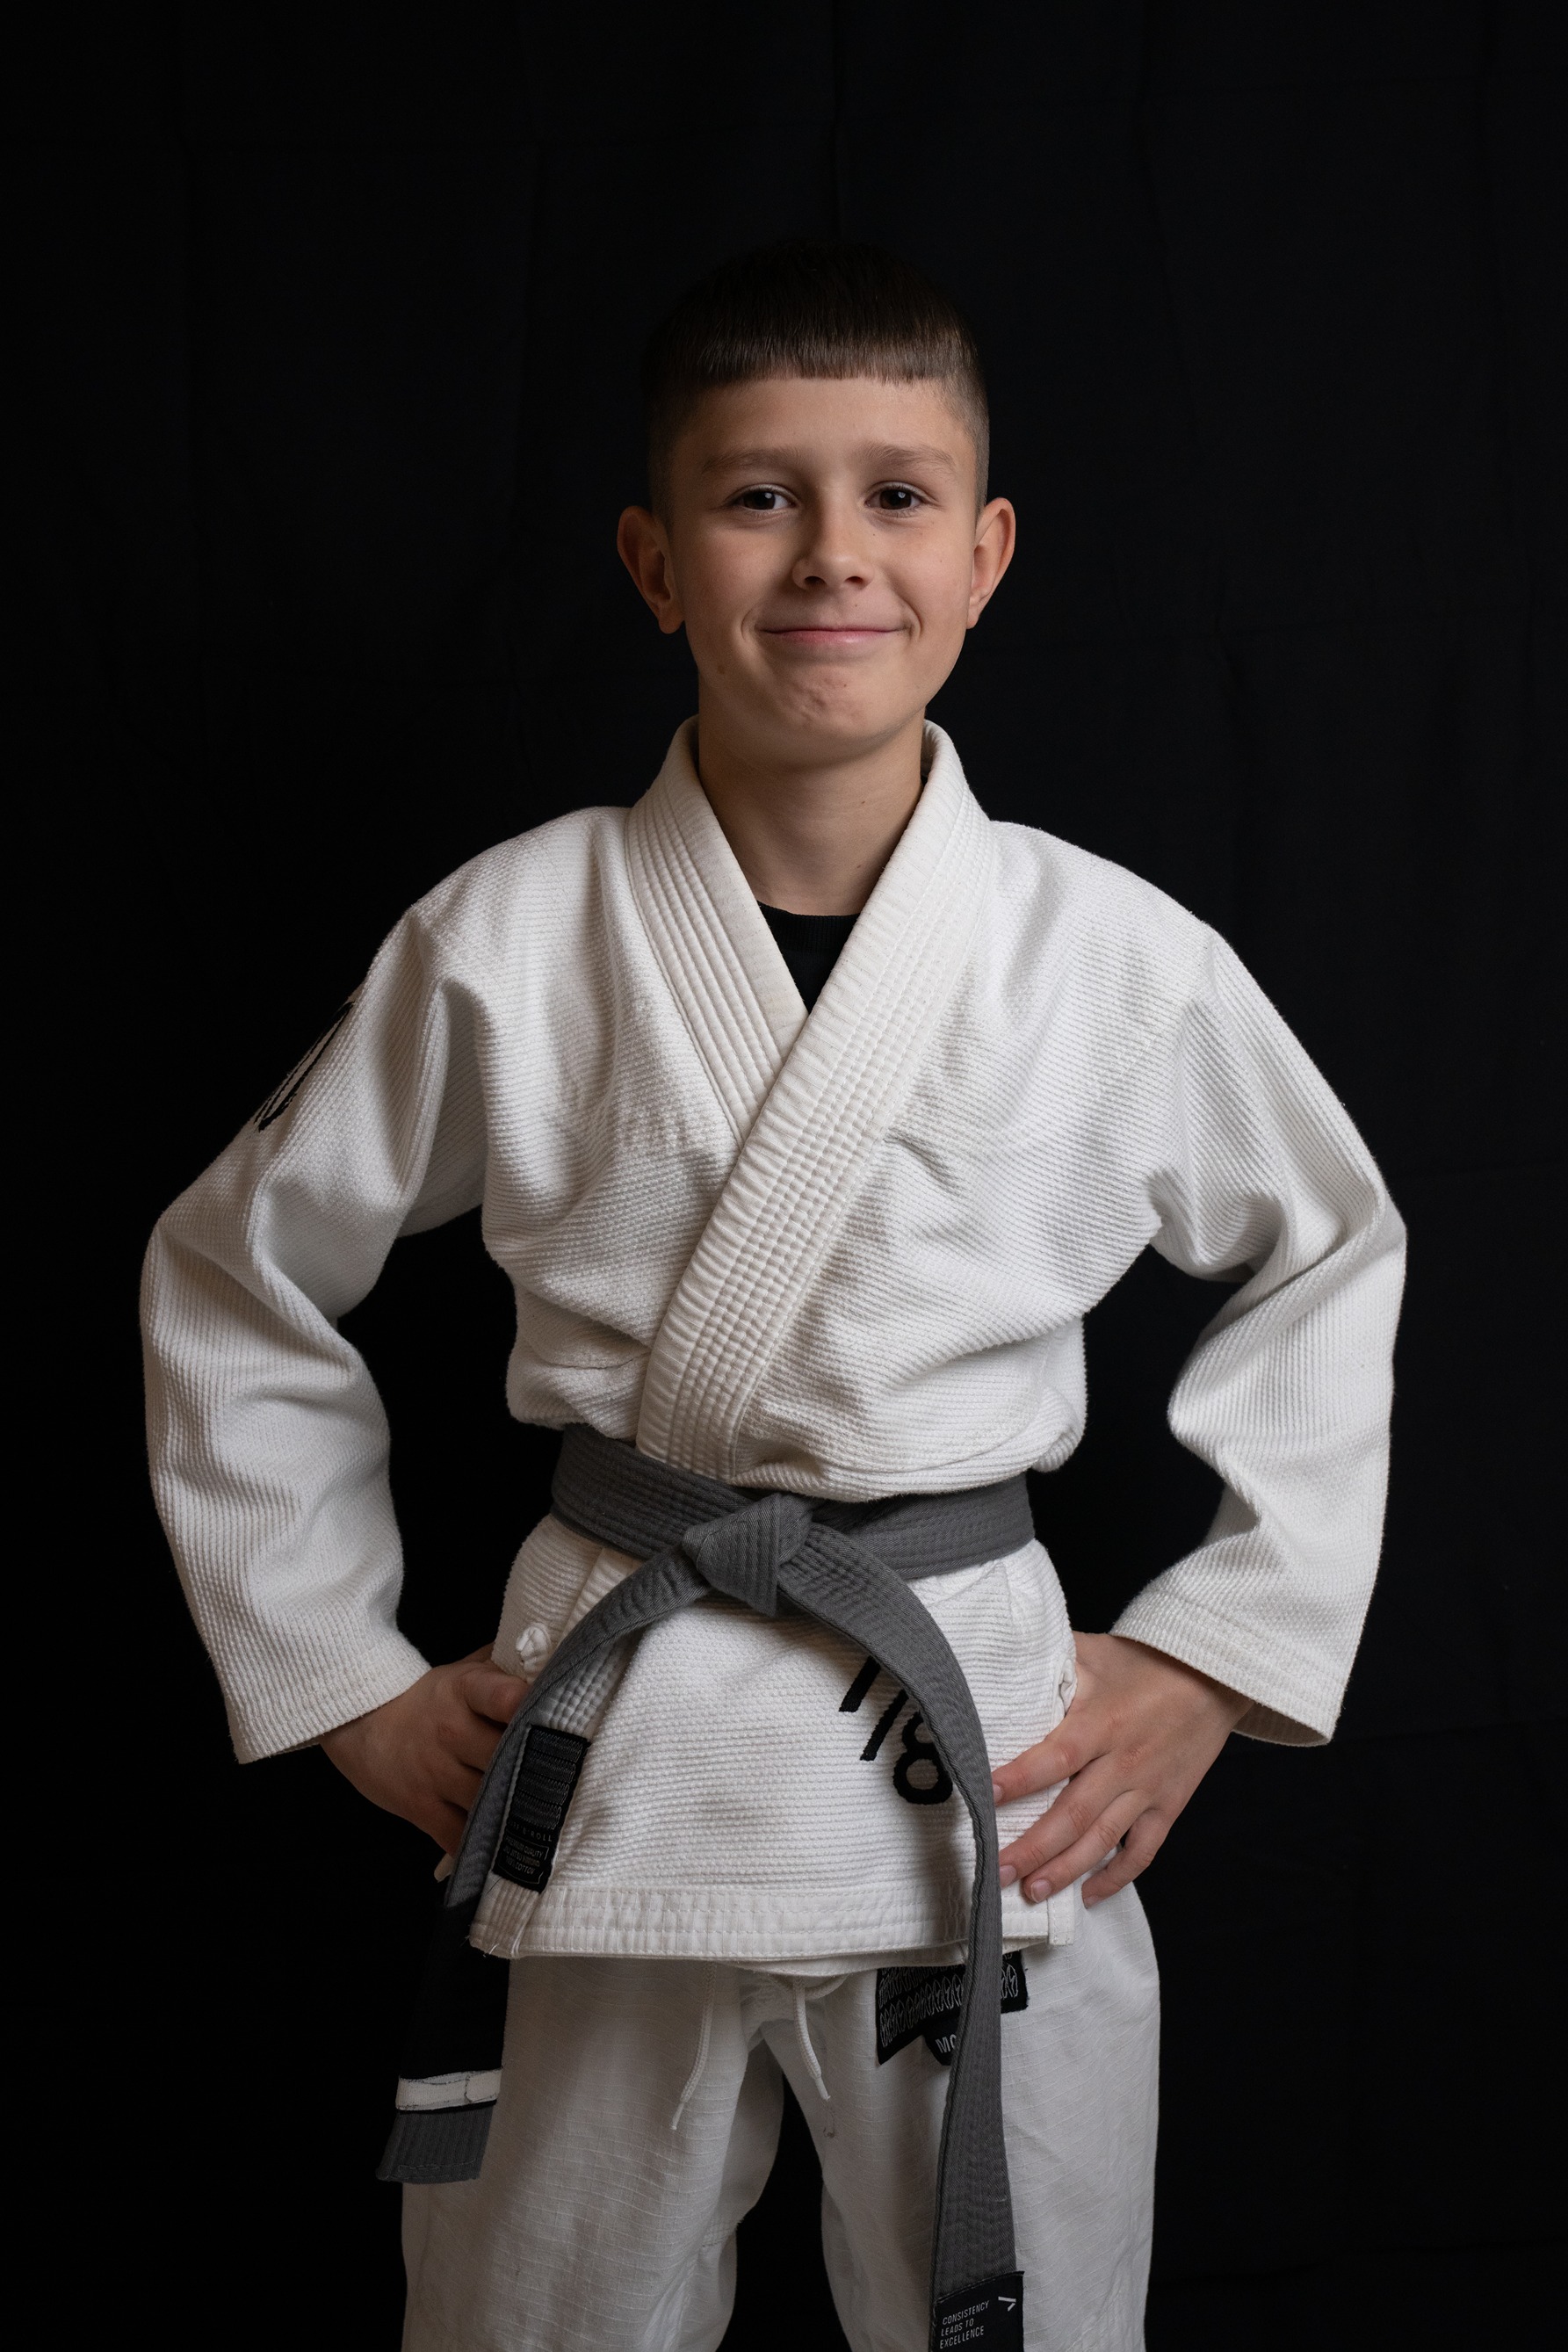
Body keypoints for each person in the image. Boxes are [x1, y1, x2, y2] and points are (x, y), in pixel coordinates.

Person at [141, 242, 1404, 2352]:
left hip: (979, 1755)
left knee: (1026, 2311)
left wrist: (1212, 1652)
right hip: (611, 1745)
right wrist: (337, 1669)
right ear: (653, 562)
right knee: (537, 2319)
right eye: (756, 496)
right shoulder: (504, 935)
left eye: (896, 495)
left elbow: (1331, 1247)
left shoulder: (1109, 955)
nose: (831, 553)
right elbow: (232, 1269)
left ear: (983, 557)